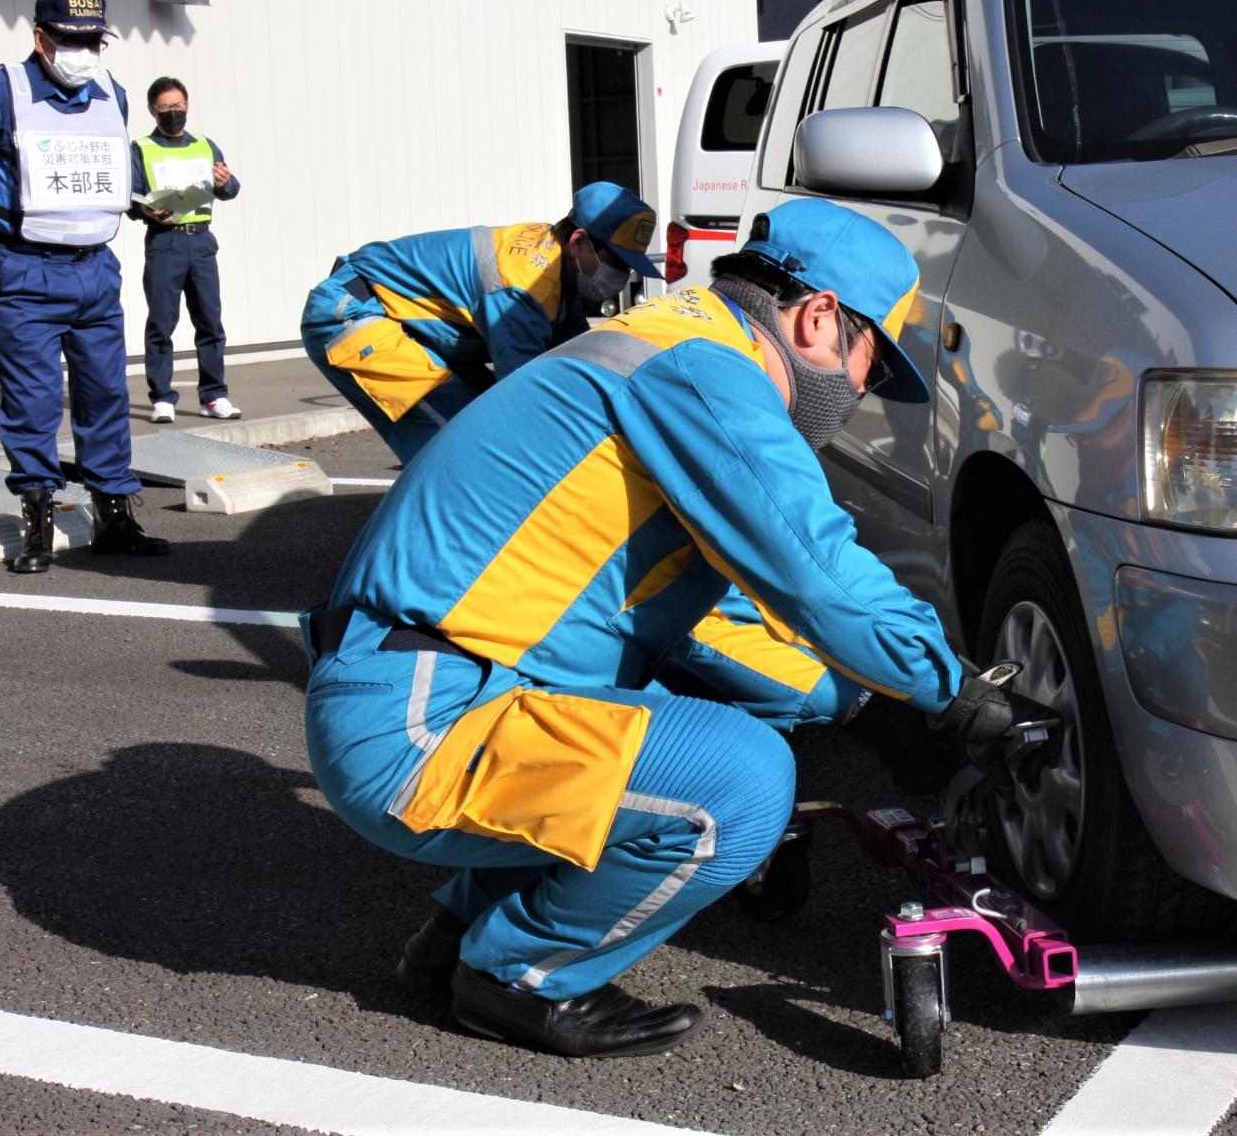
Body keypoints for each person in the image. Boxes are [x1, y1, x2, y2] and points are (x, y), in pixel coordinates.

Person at [301, 199, 1013, 1058]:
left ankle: (451, 944)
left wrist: (871, 703)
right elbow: (818, 574)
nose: (858, 395)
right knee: (743, 785)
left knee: (672, 715)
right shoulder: (707, 373)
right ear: (820, 316)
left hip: (410, 688)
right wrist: (952, 689)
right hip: (416, 726)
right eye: (870, 365)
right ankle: (516, 976)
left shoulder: (661, 342)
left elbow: (714, 623)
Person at [0, 0, 170, 575]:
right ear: (41, 38)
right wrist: (12, 229)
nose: (83, 51)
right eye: (70, 39)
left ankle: (115, 514)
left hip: (95, 267)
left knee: (105, 394)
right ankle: (38, 517)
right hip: (23, 269)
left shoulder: (111, 94)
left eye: (93, 40)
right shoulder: (1, 91)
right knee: (33, 400)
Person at [298, 182, 659, 467]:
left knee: (477, 421)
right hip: (350, 313)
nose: (622, 276)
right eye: (618, 263)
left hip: (397, 318)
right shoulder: (521, 286)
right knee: (458, 443)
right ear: (580, 241)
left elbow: (580, 359)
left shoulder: (555, 264)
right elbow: (526, 394)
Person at [130, 77, 243, 423]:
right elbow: (130, 196)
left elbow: (230, 187)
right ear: (152, 110)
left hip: (201, 239)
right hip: (165, 241)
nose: (174, 113)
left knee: (209, 319)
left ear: (188, 105)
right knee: (162, 322)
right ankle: (162, 398)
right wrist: (144, 209)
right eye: (165, 108)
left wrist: (227, 183)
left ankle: (215, 395)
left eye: (179, 106)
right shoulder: (142, 148)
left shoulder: (206, 146)